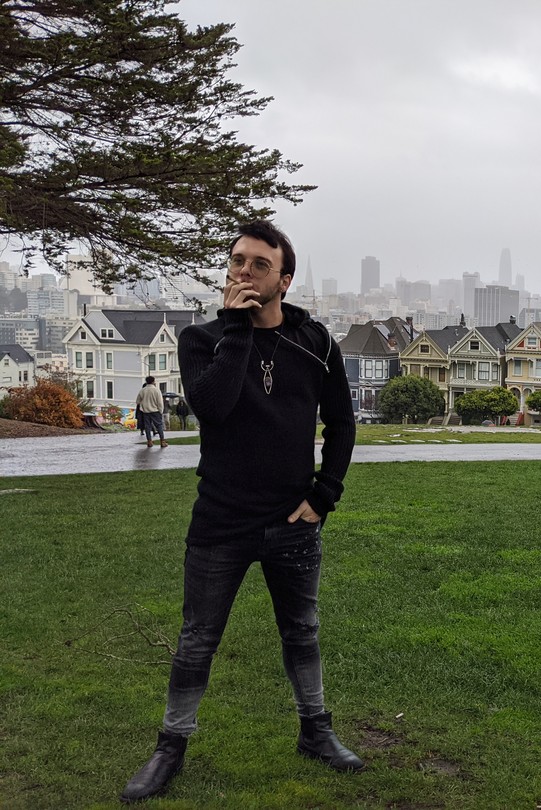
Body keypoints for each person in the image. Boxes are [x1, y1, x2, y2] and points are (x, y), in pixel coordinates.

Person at [120, 221, 360, 803]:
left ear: (285, 279)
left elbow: (342, 423)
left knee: (301, 631)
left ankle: (316, 731)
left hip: (292, 522)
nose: (244, 272)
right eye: (236, 261)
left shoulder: (316, 342)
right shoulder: (201, 339)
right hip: (221, 521)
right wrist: (235, 327)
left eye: (259, 264)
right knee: (198, 637)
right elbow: (213, 409)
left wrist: (323, 496)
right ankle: (170, 746)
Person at [134, 376, 167, 448]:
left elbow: (137, 401)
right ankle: (162, 441)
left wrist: (143, 405)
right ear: (153, 381)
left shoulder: (142, 390)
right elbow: (160, 402)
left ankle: (149, 441)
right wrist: (160, 410)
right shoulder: (156, 390)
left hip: (146, 412)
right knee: (159, 425)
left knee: (147, 427)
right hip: (155, 411)